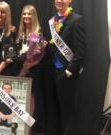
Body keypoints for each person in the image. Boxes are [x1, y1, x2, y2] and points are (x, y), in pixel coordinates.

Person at [43, 0, 87, 134]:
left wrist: (69, 71)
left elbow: (81, 52)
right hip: (51, 70)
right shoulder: (52, 21)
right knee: (53, 106)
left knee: (67, 109)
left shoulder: (76, 20)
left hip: (66, 72)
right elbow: (52, 46)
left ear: (70, 1)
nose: (59, 1)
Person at [16, 5, 46, 132]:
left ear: (34, 16)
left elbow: (38, 55)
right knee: (19, 99)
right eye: (24, 14)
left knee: (30, 100)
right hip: (19, 70)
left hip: (32, 72)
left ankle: (27, 130)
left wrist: (30, 65)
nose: (26, 16)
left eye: (29, 14)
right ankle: (18, 129)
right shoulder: (20, 32)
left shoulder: (37, 33)